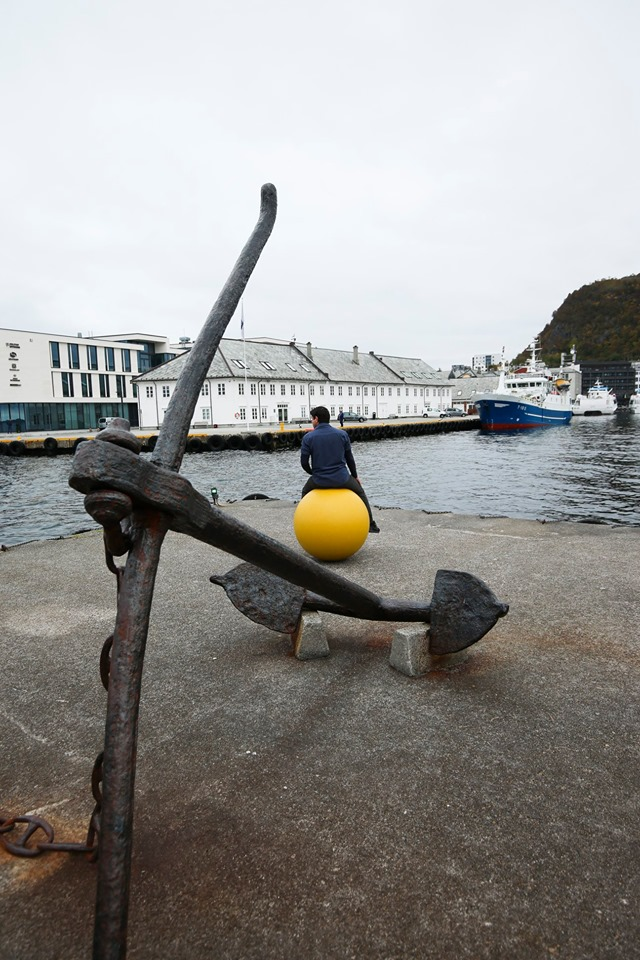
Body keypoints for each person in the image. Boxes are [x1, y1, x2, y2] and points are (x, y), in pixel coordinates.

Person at [300, 406, 380, 533]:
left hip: (319, 480)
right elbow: (350, 459)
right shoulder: (342, 434)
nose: (311, 421)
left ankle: (304, 523)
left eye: (312, 419)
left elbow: (304, 463)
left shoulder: (308, 438)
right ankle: (371, 524)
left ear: (317, 419)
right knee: (360, 492)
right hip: (341, 479)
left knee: (305, 491)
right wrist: (355, 476)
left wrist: (313, 473)